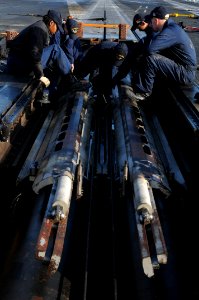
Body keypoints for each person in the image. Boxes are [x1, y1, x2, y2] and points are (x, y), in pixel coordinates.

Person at [6, 10, 86, 103]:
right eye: (57, 27)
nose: (56, 31)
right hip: (19, 65)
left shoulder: (43, 29)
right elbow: (35, 53)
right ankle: (71, 81)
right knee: (55, 49)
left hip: (22, 63)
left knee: (55, 64)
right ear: (51, 23)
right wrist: (40, 75)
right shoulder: (39, 29)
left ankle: (51, 93)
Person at [130, 6, 197, 100]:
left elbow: (150, 49)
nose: (150, 24)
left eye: (151, 21)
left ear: (156, 20)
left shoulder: (170, 31)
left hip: (185, 73)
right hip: (183, 69)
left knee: (151, 58)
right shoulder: (172, 27)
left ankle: (143, 92)